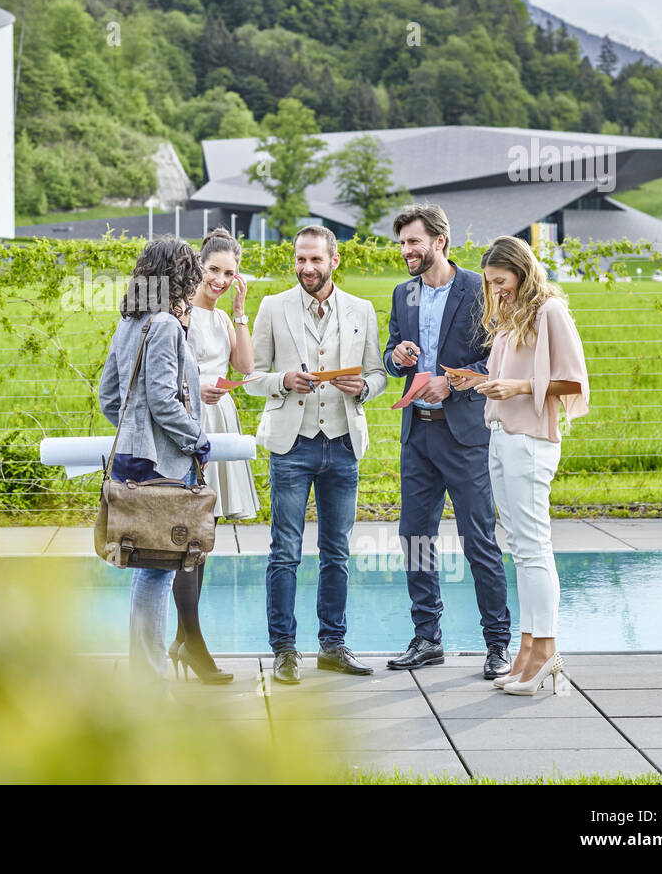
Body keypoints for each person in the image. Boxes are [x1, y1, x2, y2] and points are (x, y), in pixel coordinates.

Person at [243, 225, 387, 685]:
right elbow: (251, 376)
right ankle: (284, 649)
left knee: (337, 552)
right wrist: (283, 381)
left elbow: (378, 373)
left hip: (343, 445)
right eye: (300, 260)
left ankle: (332, 645)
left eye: (315, 260)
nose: (307, 268)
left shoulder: (361, 310)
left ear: (334, 261)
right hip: (292, 444)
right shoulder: (272, 307)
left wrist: (363, 387)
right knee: (284, 551)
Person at [452, 236, 589, 696]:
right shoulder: (511, 318)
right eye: (490, 283)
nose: (496, 290)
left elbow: (573, 380)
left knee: (534, 548)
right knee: (519, 548)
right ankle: (528, 648)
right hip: (501, 436)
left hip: (530, 441)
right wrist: (482, 381)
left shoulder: (550, 311)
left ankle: (546, 652)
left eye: (500, 280)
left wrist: (517, 388)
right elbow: (507, 379)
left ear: (521, 271)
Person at [382, 205, 512, 680]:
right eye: (402, 244)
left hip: (465, 437)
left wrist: (453, 382)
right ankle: (427, 637)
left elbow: (497, 360)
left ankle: (498, 644)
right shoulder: (403, 294)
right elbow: (393, 354)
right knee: (415, 536)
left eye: (413, 242)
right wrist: (395, 355)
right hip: (417, 434)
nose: (406, 251)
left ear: (440, 241)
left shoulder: (479, 290)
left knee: (479, 540)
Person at [98, 238, 212, 687]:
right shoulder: (164, 324)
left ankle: (144, 674)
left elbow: (110, 396)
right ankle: (149, 681)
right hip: (162, 464)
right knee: (156, 573)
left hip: (130, 457)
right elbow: (165, 399)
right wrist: (198, 440)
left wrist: (132, 431)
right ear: (175, 276)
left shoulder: (130, 322)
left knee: (144, 565)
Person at [171, 227, 259, 684]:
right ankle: (191, 640)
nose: (222, 280)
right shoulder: (178, 316)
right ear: (198, 267)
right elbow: (165, 373)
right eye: (214, 270)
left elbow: (245, 368)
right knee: (188, 535)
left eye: (230, 273)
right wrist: (193, 388)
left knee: (206, 535)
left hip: (220, 418)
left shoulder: (225, 319)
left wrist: (240, 314)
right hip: (189, 419)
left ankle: (186, 639)